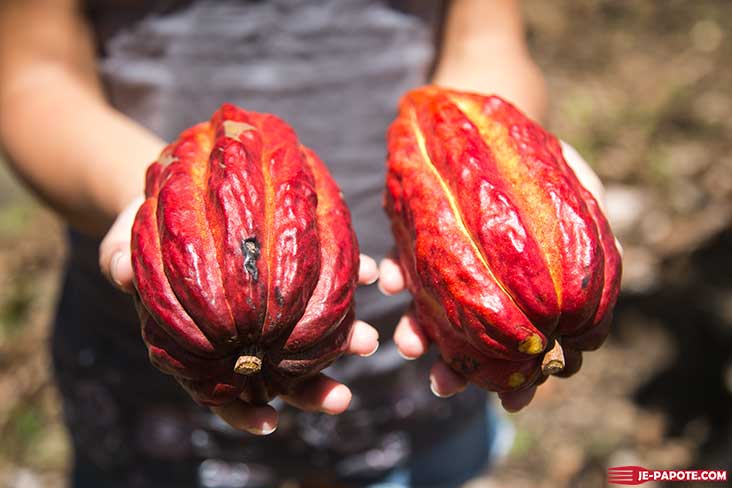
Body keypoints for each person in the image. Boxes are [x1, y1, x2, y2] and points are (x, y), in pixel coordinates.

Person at [0, 1, 607, 486]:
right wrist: (155, 197)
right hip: (151, 397)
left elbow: (486, 43)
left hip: (422, 360)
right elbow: (32, 77)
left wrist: (504, 166)